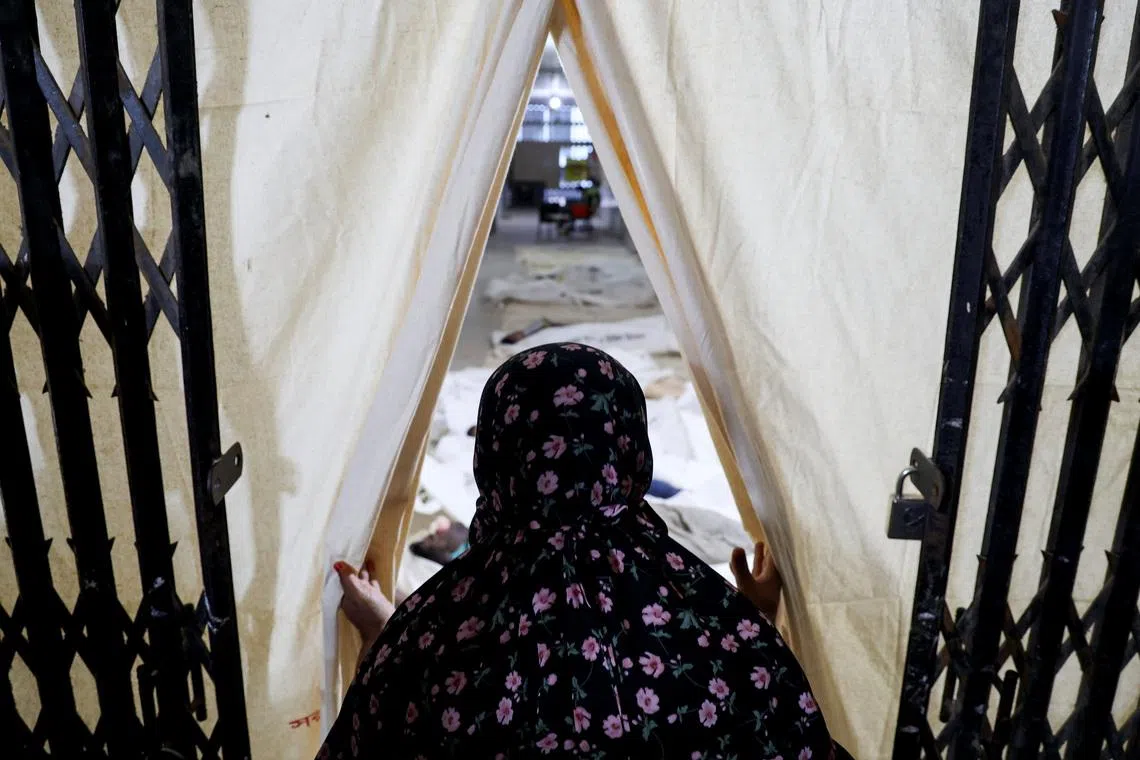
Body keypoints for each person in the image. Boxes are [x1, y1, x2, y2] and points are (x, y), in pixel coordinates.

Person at [320, 344, 845, 759]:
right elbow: (772, 727)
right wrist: (752, 620)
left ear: (495, 457)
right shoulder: (717, 628)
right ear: (632, 452)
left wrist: (383, 634)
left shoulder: (431, 634)